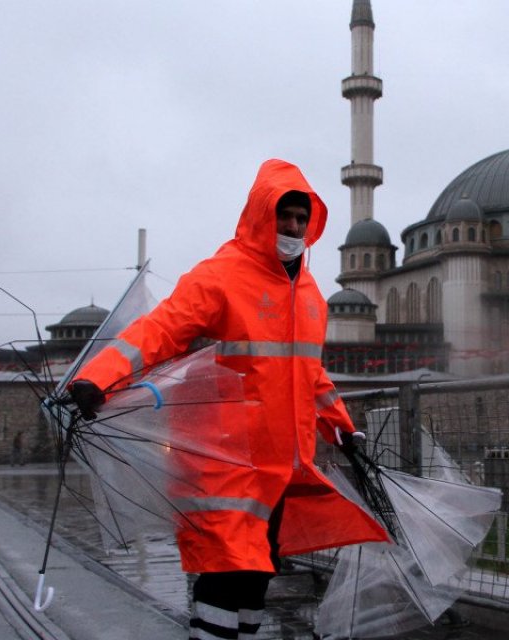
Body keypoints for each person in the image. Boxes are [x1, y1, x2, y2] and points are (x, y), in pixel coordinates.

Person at [68, 159, 386, 640]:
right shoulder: (222, 276)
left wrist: (342, 429)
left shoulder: (309, 295)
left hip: (279, 464)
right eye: (286, 216)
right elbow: (159, 331)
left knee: (257, 573)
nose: (294, 227)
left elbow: (308, 373)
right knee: (225, 569)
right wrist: (100, 377)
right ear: (262, 215)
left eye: (303, 218)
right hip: (222, 458)